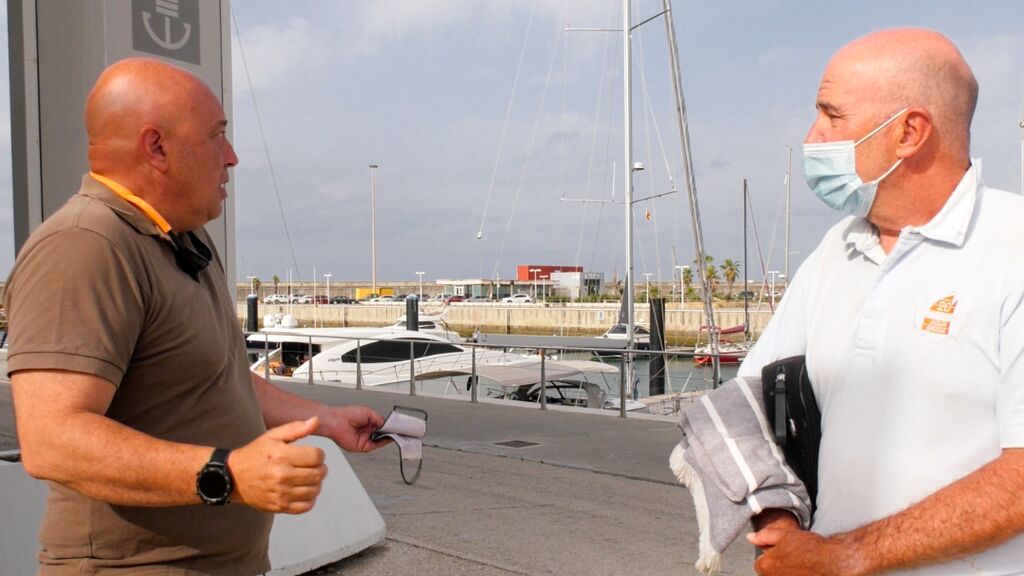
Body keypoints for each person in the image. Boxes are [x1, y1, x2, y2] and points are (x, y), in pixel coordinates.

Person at [4, 58, 388, 574]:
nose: (232, 158)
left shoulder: (182, 238)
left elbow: (218, 377)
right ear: (156, 147)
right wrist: (227, 475)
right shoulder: (85, 246)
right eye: (216, 136)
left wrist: (322, 419)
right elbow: (53, 442)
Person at [739, 28, 1024, 575]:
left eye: (831, 115)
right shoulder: (836, 249)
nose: (812, 135)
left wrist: (843, 556)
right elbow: (751, 400)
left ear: (909, 132)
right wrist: (774, 517)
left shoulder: (1013, 248)